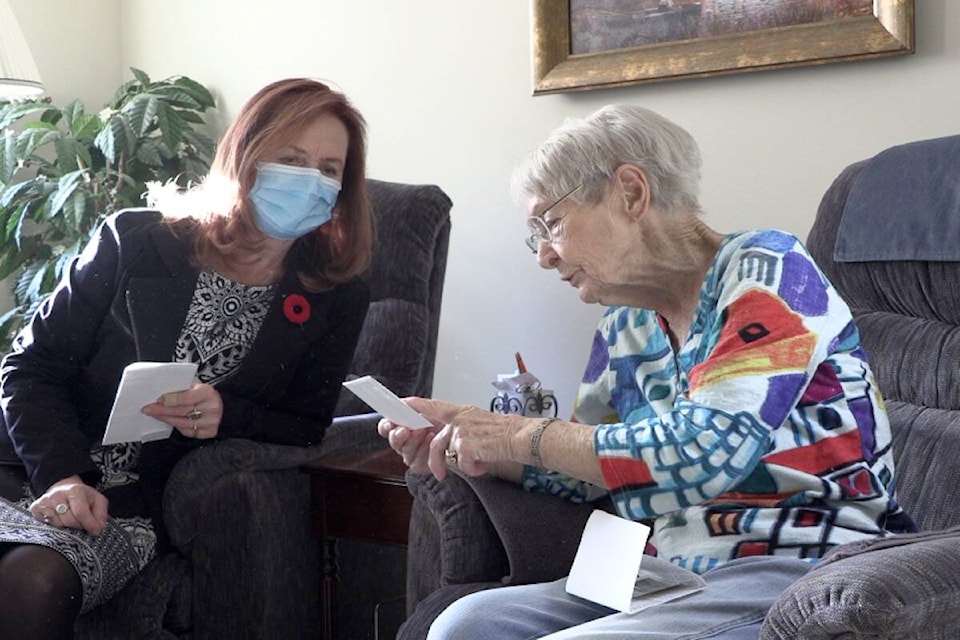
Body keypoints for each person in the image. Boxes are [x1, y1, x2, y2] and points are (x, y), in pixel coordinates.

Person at [379, 104, 914, 639]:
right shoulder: (626, 325)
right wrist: (472, 440)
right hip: (670, 575)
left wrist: (517, 433)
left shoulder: (768, 270)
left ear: (631, 192)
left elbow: (707, 451)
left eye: (552, 222)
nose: (543, 255)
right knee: (464, 625)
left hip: (798, 566)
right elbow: (584, 468)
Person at [0, 77, 372, 639]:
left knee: (34, 581)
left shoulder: (336, 297)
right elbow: (31, 367)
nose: (310, 181)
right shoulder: (135, 240)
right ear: (246, 156)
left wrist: (228, 413)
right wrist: (59, 476)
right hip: (29, 468)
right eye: (292, 160)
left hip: (125, 507)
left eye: (328, 169)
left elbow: (306, 424)